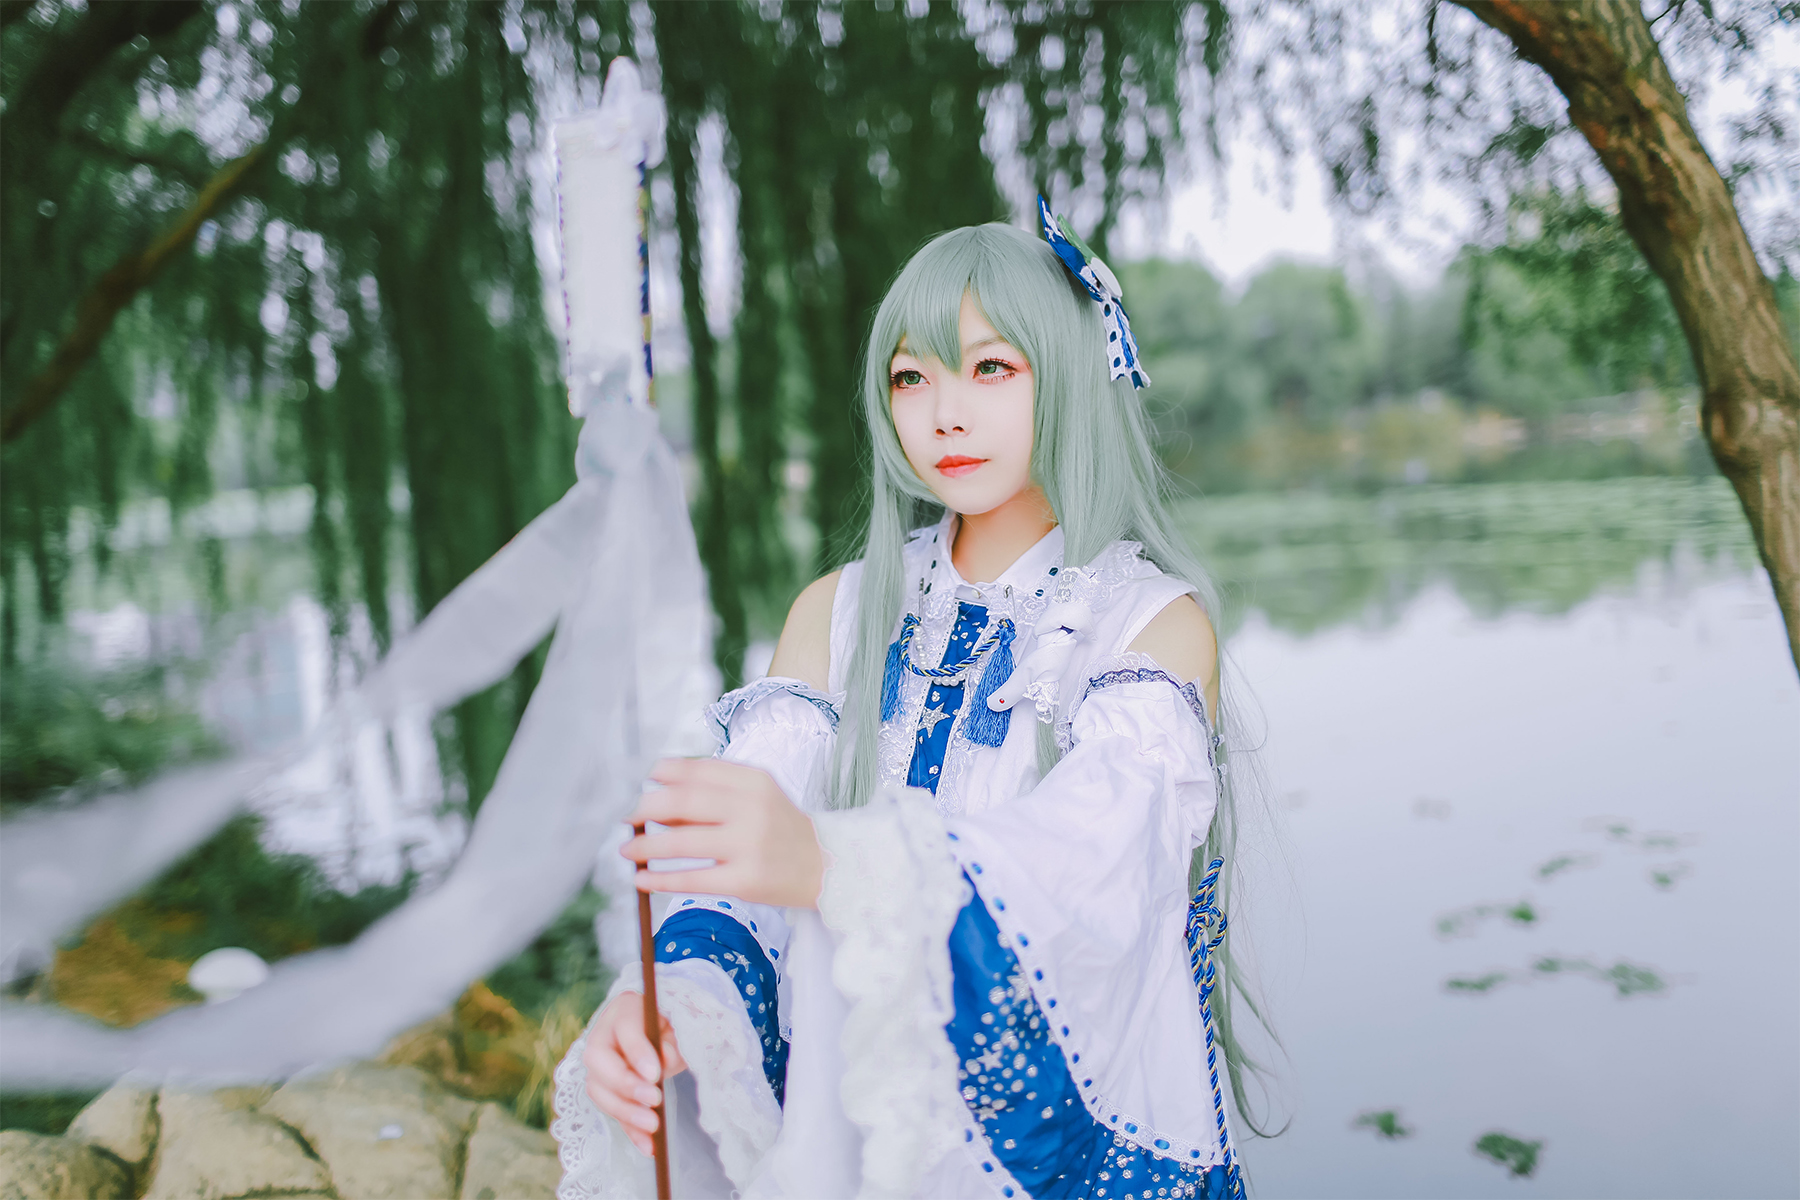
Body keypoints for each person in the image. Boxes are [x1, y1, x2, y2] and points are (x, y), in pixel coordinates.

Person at [551, 207, 1258, 1200]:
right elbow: (734, 869)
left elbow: (1097, 867)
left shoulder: (1150, 626)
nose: (944, 414)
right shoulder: (834, 613)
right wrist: (672, 999)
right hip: (847, 1127)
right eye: (910, 378)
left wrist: (833, 863)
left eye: (990, 368)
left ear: (1068, 371)